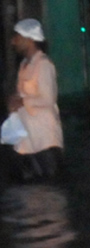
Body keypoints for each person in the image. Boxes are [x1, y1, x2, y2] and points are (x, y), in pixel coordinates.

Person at [4, 19, 64, 180]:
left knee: (49, 188)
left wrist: (22, 101)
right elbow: (23, 95)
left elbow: (48, 98)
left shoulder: (44, 65)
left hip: (44, 139)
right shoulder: (24, 65)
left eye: (17, 37)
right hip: (27, 139)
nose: (13, 41)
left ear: (29, 39)